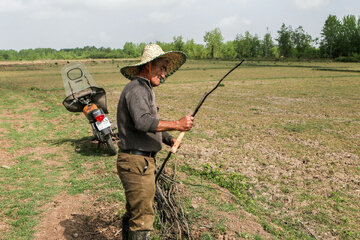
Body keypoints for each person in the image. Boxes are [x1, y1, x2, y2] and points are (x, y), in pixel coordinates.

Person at [116, 43, 194, 240]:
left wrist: (168, 138)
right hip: (137, 162)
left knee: (135, 213)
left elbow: (149, 124)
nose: (164, 74)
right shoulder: (137, 89)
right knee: (142, 220)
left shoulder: (145, 89)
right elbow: (143, 122)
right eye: (162, 68)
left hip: (139, 162)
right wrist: (177, 124)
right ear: (149, 65)